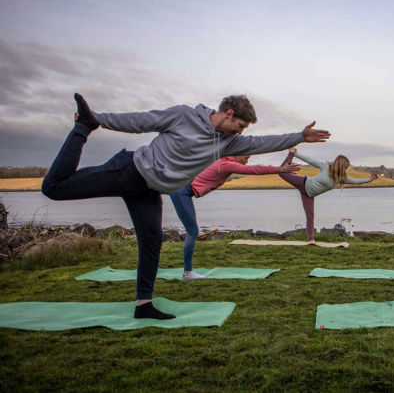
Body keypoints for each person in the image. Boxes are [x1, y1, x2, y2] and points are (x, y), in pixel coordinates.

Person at [42, 93, 330, 319]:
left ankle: (144, 305)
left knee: (152, 241)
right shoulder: (183, 116)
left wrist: (298, 137)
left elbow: (259, 143)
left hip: (149, 190)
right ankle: (82, 128)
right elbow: (140, 121)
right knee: (54, 188)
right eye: (239, 125)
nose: (240, 132)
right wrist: (97, 119)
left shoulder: (228, 143)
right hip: (129, 170)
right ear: (228, 113)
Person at [169, 155, 301, 279]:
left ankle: (187, 271)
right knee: (192, 231)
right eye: (245, 158)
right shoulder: (226, 164)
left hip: (183, 191)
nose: (246, 161)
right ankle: (188, 272)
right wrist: (280, 169)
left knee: (192, 231)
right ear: (238, 154)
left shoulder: (222, 161)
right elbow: (253, 170)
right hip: (181, 191)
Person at [278, 147, 378, 242]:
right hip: (304, 183)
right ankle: (290, 153)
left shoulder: (341, 178)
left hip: (309, 195)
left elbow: (356, 181)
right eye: (345, 166)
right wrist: (296, 154)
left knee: (310, 216)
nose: (346, 168)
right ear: (340, 165)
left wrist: (370, 179)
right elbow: (310, 160)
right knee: (281, 172)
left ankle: (311, 240)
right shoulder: (325, 167)